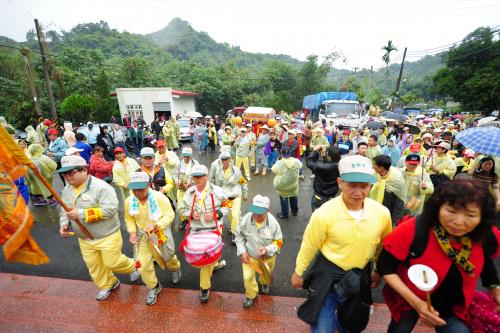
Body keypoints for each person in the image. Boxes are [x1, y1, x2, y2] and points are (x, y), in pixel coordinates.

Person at [377, 179, 500, 333]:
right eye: (451, 211)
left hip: (454, 305)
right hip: (409, 299)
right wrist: (416, 303)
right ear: (438, 207)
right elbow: (385, 266)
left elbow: (486, 262)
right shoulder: (414, 229)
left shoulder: (486, 236)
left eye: (470, 215)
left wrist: (495, 290)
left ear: (483, 216)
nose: (459, 222)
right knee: (401, 328)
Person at [292, 155, 392, 333]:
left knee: (350, 325)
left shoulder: (381, 214)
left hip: (359, 276)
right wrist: (299, 272)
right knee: (323, 329)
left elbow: (382, 246)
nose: (358, 192)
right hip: (328, 276)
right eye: (352, 185)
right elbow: (310, 245)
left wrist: (377, 270)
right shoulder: (324, 214)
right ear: (340, 182)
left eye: (364, 186)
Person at [58, 155, 140, 301]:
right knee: (94, 265)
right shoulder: (66, 189)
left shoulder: (101, 187)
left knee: (112, 262)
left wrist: (81, 213)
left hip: (107, 234)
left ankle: (133, 267)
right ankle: (109, 284)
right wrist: (64, 223)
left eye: (71, 173)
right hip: (84, 238)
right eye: (64, 174)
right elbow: (65, 209)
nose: (67, 177)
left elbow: (110, 209)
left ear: (84, 170)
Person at [125, 171, 182, 305]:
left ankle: (176, 269)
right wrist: (132, 232)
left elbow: (170, 215)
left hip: (159, 233)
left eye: (141, 188)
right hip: (142, 236)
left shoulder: (160, 198)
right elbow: (129, 219)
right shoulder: (129, 201)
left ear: (149, 185)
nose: (138, 192)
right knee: (142, 266)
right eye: (135, 189)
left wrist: (156, 225)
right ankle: (154, 286)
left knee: (168, 258)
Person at [181, 164, 229, 303]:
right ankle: (214, 263)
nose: (197, 179)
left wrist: (217, 213)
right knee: (205, 258)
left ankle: (204, 287)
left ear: (206, 176)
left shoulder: (217, 191)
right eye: (194, 177)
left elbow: (229, 205)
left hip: (213, 229)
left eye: (200, 176)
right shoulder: (189, 193)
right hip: (196, 230)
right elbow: (182, 210)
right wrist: (190, 214)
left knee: (206, 260)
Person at [236, 195, 283, 308]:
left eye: (260, 213)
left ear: (268, 210)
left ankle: (264, 283)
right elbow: (238, 236)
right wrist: (242, 251)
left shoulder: (273, 224)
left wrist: (267, 249)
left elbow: (279, 242)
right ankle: (251, 295)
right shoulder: (245, 220)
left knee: (265, 275)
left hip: (267, 258)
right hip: (250, 255)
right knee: (247, 277)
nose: (256, 215)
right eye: (255, 212)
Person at [210, 150, 248, 245]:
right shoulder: (218, 172)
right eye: (223, 160)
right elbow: (217, 186)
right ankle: (235, 227)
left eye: (226, 159)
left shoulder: (236, 171)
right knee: (231, 216)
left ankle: (235, 234)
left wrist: (245, 193)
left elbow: (243, 182)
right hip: (226, 198)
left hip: (236, 196)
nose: (225, 161)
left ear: (230, 160)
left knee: (235, 215)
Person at [370, 155, 406, 225]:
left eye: (375, 165)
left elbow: (399, 201)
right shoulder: (375, 174)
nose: (373, 167)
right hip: (374, 210)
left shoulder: (396, 179)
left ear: (382, 167)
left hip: (389, 212)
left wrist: (395, 220)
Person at [306, 145, 341, 211]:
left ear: (329, 156)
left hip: (320, 197)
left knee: (317, 216)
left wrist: (314, 151)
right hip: (332, 196)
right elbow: (330, 163)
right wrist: (324, 155)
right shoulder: (340, 165)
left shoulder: (321, 167)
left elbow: (309, 162)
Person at [272, 147, 302, 219]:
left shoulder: (279, 162)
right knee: (294, 197)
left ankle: (284, 214)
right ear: (290, 153)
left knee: (284, 199)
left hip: (283, 185)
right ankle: (294, 212)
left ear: (282, 154)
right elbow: (300, 166)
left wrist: (278, 161)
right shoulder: (296, 161)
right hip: (293, 184)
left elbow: (274, 170)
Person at [174, 147, 199, 229]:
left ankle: (192, 220)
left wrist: (190, 184)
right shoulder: (179, 163)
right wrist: (177, 182)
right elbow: (174, 175)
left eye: (188, 156)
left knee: (192, 206)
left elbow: (198, 176)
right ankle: (184, 220)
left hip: (191, 189)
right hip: (181, 189)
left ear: (191, 156)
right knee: (180, 207)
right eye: (185, 156)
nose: (186, 158)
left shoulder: (196, 164)